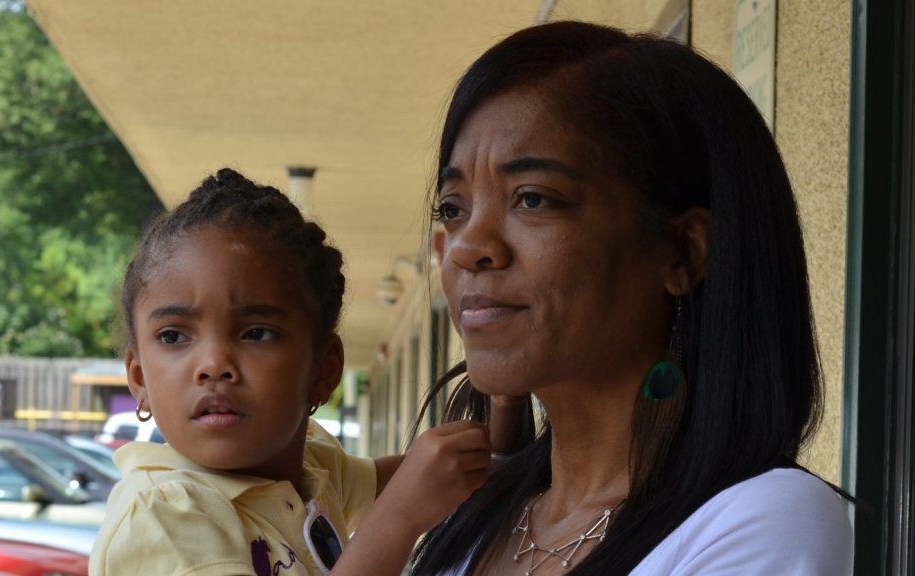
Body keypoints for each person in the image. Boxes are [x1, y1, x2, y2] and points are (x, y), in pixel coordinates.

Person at [408, 20, 854, 576]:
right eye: (454, 208)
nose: (467, 246)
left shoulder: (761, 518)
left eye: (532, 199)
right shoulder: (473, 515)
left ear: (681, 253)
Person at [90, 168, 491, 575]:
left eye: (256, 333)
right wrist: (398, 520)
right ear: (139, 379)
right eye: (174, 337)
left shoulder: (308, 464)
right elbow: (403, 499)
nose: (213, 365)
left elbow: (414, 478)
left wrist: (503, 416)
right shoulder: (164, 517)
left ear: (324, 370)